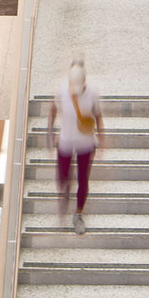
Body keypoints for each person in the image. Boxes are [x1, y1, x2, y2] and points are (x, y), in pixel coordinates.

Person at [49, 56, 104, 233]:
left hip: (86, 143)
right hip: (65, 140)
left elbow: (98, 117)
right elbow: (52, 112)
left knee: (83, 179)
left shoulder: (92, 94)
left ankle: (78, 214)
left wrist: (102, 141)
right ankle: (64, 202)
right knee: (63, 178)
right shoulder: (62, 91)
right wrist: (50, 135)